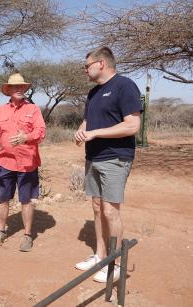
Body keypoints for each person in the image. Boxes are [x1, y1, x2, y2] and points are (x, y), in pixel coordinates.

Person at [74, 47, 142, 282]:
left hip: (116, 156)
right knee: (96, 207)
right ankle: (100, 255)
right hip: (93, 157)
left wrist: (96, 133)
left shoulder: (124, 85)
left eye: (87, 65)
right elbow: (87, 120)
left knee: (110, 210)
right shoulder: (93, 93)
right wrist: (82, 131)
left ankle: (114, 265)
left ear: (101, 63)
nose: (85, 70)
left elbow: (133, 126)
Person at [0, 73, 46, 252]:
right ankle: (1, 231)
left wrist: (26, 137)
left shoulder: (33, 109)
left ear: (25, 89)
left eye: (22, 87)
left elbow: (41, 132)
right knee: (3, 199)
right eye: (15, 87)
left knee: (26, 200)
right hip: (5, 163)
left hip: (27, 164)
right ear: (8, 90)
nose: (19, 89)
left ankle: (27, 235)